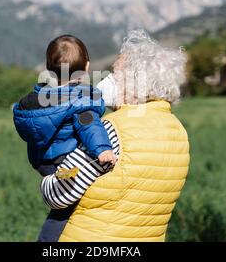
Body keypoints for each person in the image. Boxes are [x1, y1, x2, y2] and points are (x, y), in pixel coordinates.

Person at [40, 30, 190, 242]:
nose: (109, 79)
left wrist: (48, 179)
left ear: (134, 83)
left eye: (115, 74)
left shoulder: (110, 131)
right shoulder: (178, 133)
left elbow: (59, 193)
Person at [12, 34, 118, 241]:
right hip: (64, 161)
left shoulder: (39, 98)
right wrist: (103, 148)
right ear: (86, 66)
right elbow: (88, 124)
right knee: (65, 209)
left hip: (43, 161)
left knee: (66, 200)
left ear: (48, 67)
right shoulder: (80, 98)